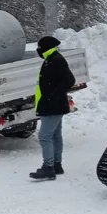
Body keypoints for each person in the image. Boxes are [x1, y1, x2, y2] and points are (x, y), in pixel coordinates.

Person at [30, 36, 76, 181]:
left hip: (52, 105)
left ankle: (48, 167)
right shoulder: (51, 59)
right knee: (55, 135)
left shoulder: (55, 60)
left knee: (45, 137)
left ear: (46, 47)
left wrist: (52, 96)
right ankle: (56, 165)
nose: (38, 49)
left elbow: (69, 80)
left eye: (39, 46)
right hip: (52, 104)